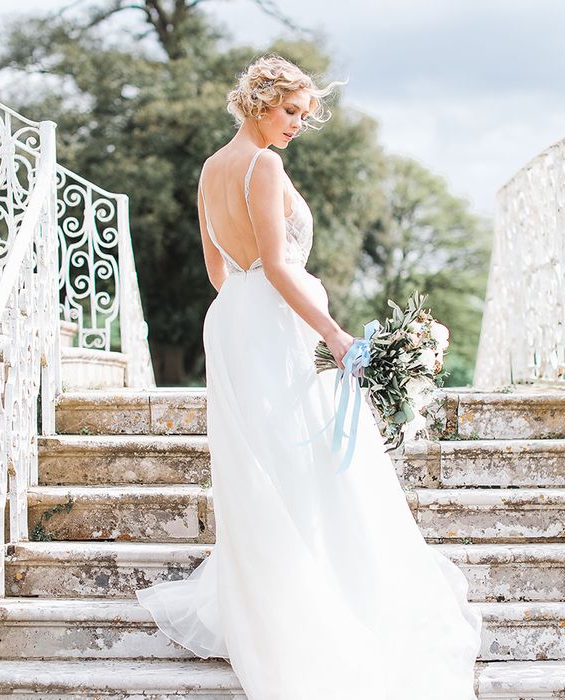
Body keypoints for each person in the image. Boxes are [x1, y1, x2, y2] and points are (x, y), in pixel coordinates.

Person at [135, 53, 482, 699]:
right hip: (275, 321)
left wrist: (251, 311)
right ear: (260, 102)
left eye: (304, 115)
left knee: (267, 459)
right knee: (307, 457)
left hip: (234, 319)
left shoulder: (211, 169)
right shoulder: (264, 164)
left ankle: (282, 589)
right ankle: (320, 595)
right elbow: (276, 262)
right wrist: (333, 332)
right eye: (291, 111)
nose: (298, 124)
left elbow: (222, 271)